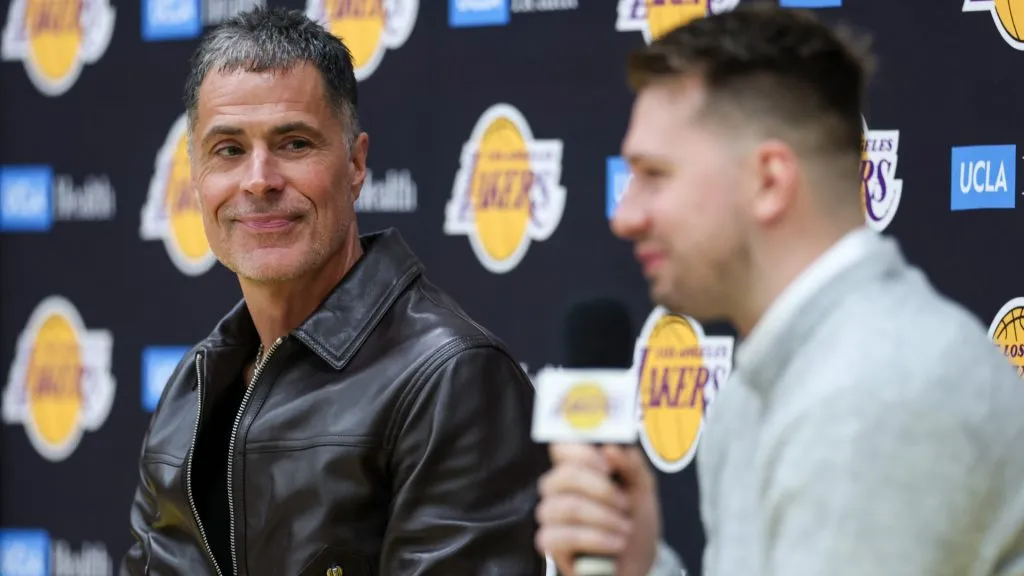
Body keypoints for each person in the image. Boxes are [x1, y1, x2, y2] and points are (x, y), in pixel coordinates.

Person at [534, 5, 1024, 576]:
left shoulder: (871, 394)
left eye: (655, 175)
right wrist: (639, 569)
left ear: (769, 182)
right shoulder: (761, 388)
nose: (624, 216)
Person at [120, 7, 549, 575]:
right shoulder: (193, 384)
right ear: (195, 175)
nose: (258, 179)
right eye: (228, 150)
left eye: (294, 144)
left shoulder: (453, 377)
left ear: (355, 163)